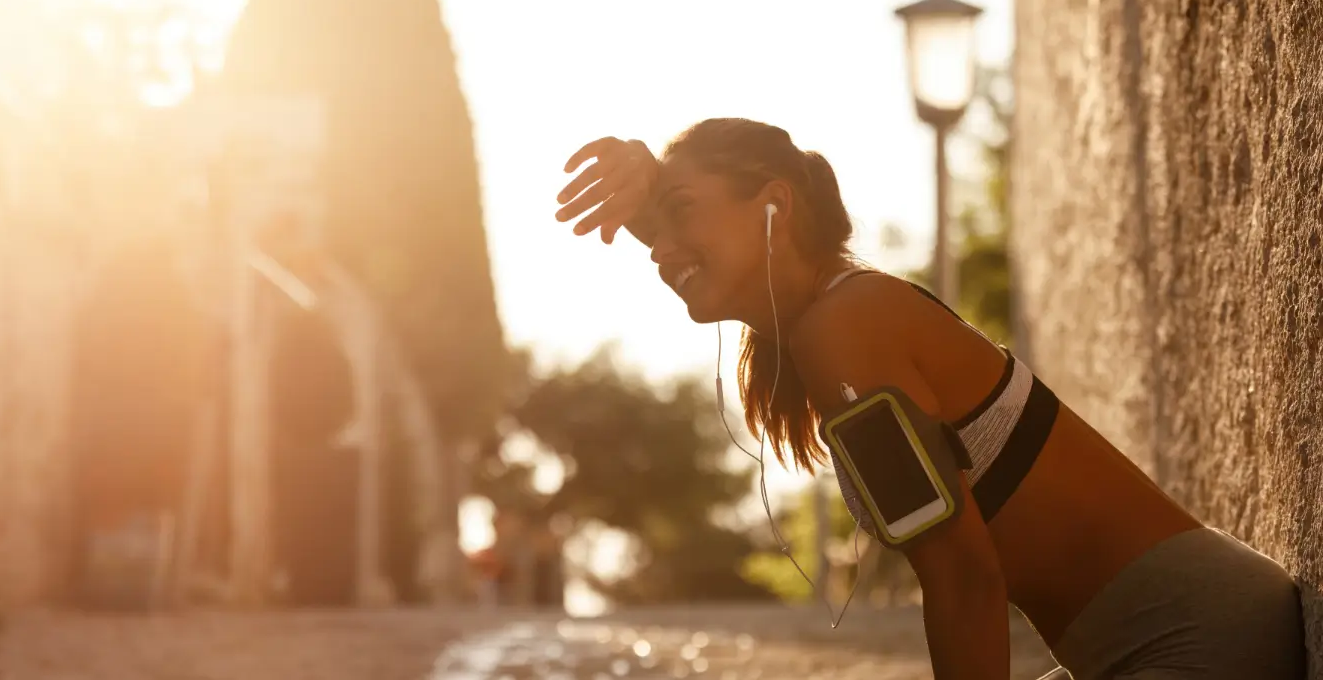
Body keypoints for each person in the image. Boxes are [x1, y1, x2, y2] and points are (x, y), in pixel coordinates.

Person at [552, 118, 1307, 679]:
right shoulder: (839, 316)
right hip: (1169, 636)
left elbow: (965, 581)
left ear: (775, 203)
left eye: (682, 211)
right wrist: (653, 188)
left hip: (1202, 644)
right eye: (656, 230)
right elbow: (698, 236)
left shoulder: (842, 329)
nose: (660, 248)